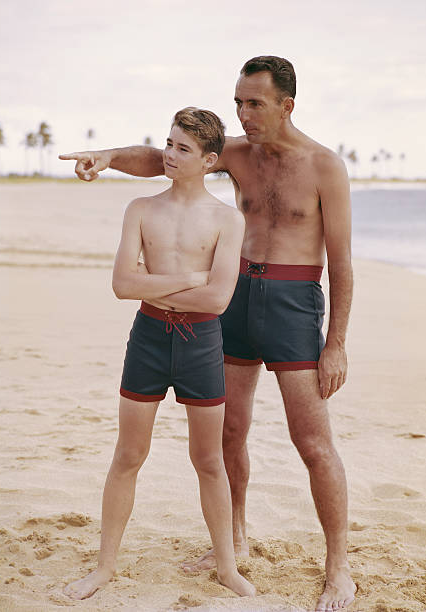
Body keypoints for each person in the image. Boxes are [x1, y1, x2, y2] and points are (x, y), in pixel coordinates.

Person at [60, 56, 356, 611]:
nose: (243, 114)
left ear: (287, 105)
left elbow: (340, 264)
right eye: (239, 101)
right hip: (235, 298)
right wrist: (108, 157)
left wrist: (335, 341)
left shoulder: (324, 166)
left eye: (255, 104)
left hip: (294, 303)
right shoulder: (238, 153)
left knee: (312, 441)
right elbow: (164, 159)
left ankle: (338, 565)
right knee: (230, 431)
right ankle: (235, 541)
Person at [63, 107, 255, 600]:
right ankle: (104, 567)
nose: (169, 155)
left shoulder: (227, 220)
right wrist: (190, 279)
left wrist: (158, 287)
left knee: (209, 460)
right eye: (168, 144)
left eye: (183, 149)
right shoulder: (141, 209)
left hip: (202, 343)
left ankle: (228, 568)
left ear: (210, 160)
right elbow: (123, 285)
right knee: (128, 454)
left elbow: (218, 300)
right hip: (148, 338)